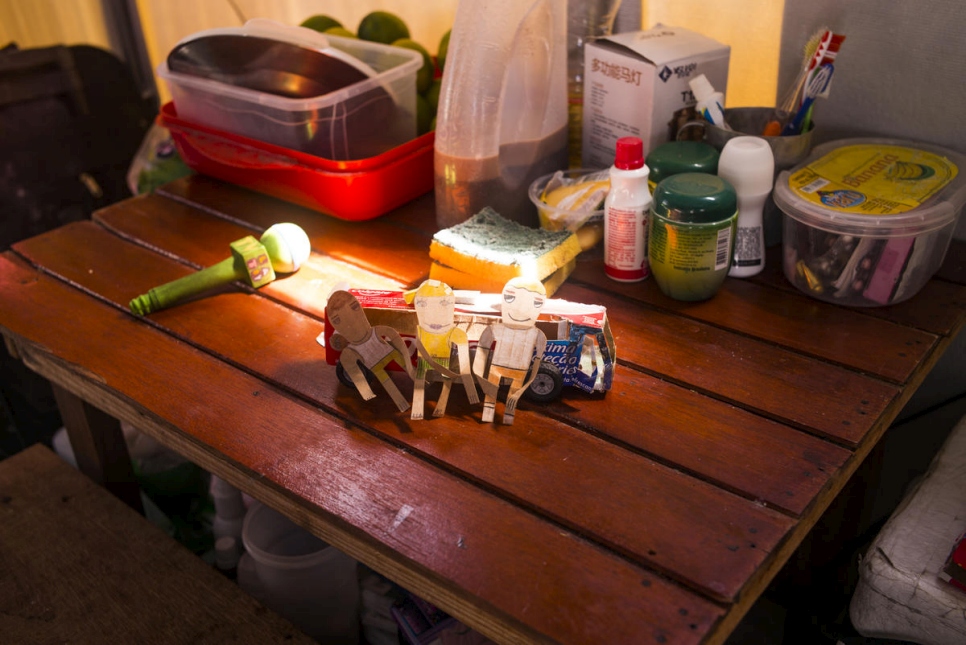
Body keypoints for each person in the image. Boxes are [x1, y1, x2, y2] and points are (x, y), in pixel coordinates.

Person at [472, 277, 548, 425]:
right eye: (510, 297)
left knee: (511, 399)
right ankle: (488, 413)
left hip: (519, 371)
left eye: (536, 302)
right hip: (497, 368)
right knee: (490, 397)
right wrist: (480, 378)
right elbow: (481, 352)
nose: (522, 308)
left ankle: (508, 415)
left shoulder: (537, 335)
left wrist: (524, 388)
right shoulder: (495, 329)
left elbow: (537, 365)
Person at [325, 290, 413, 412]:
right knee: (388, 382)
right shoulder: (353, 348)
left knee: (402, 373)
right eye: (337, 320)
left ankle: (419, 385)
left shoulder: (375, 331)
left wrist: (408, 362)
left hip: (387, 356)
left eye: (354, 307)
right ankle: (402, 402)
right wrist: (365, 391)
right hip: (377, 365)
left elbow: (393, 335)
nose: (351, 322)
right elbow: (350, 365)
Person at [404, 280, 478, 420]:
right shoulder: (420, 330)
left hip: (444, 362)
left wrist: (470, 387)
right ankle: (417, 409)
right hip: (425, 361)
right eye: (423, 304)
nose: (434, 315)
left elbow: (465, 366)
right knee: (421, 381)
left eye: (443, 304)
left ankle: (440, 407)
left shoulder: (453, 332)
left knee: (445, 381)